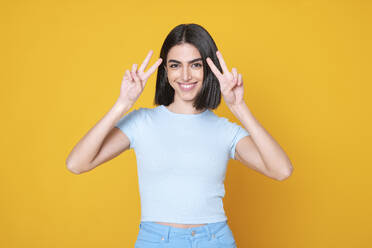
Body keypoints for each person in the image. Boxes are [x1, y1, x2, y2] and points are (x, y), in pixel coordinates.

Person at [66, 23, 293, 248]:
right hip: (155, 240)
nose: (185, 75)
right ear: (166, 70)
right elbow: (77, 163)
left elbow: (281, 170)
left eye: (195, 65)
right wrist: (122, 104)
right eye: (175, 65)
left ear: (209, 69)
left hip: (215, 240)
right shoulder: (142, 122)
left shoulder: (225, 130)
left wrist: (239, 107)